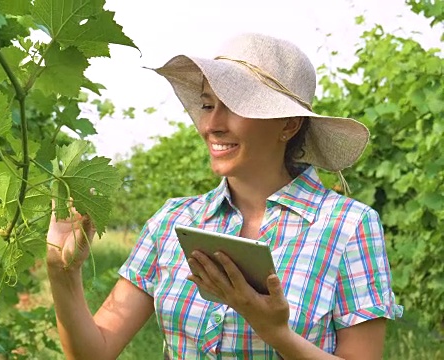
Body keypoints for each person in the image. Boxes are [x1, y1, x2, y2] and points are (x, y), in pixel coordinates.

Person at [46, 33, 403, 359]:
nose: (211, 124)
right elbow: (95, 353)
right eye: (207, 105)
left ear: (288, 125)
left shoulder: (348, 225)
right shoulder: (173, 221)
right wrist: (63, 272)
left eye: (234, 105)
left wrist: (277, 334)